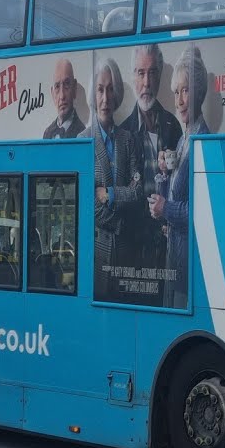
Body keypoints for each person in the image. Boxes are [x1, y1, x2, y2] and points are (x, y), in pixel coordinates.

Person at [148, 46, 209, 308]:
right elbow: (174, 198)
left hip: (189, 269)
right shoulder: (184, 140)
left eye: (185, 91)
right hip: (173, 262)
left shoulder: (203, 141)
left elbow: (202, 213)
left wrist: (165, 209)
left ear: (199, 92)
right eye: (176, 92)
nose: (179, 100)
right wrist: (163, 175)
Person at [81, 57, 142, 301]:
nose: (105, 98)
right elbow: (88, 204)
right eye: (100, 89)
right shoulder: (83, 140)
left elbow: (138, 192)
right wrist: (120, 222)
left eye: (110, 89)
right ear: (93, 95)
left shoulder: (128, 139)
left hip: (127, 256)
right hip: (97, 254)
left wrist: (110, 194)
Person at [119, 44, 182, 272]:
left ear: (160, 76)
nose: (146, 82)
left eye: (152, 73)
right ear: (133, 77)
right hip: (133, 243)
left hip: (167, 239)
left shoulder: (173, 126)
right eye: (140, 73)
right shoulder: (123, 131)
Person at [43, 57, 85, 139]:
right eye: (57, 87)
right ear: (52, 94)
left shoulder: (83, 133)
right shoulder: (47, 133)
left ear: (74, 88)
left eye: (66, 84)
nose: (62, 96)